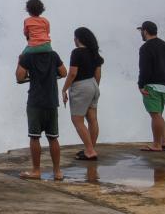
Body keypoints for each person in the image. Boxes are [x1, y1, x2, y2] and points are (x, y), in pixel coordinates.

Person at [16, 46, 67, 180]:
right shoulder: (53, 55)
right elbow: (63, 72)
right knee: (53, 137)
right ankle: (57, 172)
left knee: (34, 137)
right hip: (51, 101)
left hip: (35, 102)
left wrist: (20, 61)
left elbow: (20, 77)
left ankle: (36, 170)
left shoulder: (27, 56)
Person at [61, 27, 104, 161]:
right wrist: (94, 87)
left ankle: (90, 151)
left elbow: (73, 73)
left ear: (78, 39)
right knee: (92, 119)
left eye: (74, 37)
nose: (74, 40)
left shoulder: (77, 52)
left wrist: (64, 89)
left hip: (81, 86)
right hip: (93, 85)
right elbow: (98, 74)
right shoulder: (94, 53)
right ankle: (90, 148)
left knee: (77, 119)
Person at [137, 20, 165, 152]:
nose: (141, 33)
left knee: (155, 116)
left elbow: (144, 69)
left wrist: (141, 85)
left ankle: (157, 145)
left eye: (141, 31)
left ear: (145, 31)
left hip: (152, 86)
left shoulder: (146, 47)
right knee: (159, 115)